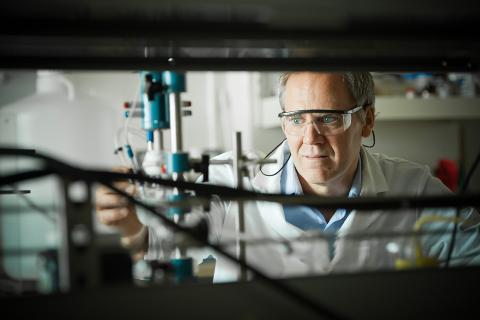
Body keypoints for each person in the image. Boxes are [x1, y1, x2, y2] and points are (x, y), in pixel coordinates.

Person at [96, 72, 480, 282]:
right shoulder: (229, 179)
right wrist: (131, 224)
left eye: (329, 118)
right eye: (296, 119)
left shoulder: (413, 186)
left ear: (366, 121)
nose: (310, 138)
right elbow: (161, 249)